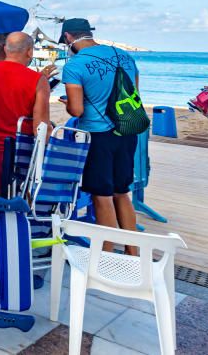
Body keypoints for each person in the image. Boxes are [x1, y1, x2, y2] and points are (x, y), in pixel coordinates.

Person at [61, 18, 141, 251]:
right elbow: (134, 92)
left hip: (98, 136)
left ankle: (105, 254)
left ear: (68, 38)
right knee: (122, 192)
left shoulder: (75, 65)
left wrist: (67, 103)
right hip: (126, 130)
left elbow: (76, 110)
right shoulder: (124, 56)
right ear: (89, 33)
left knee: (101, 195)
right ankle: (132, 251)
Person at [0, 32, 51, 196]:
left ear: (5, 49)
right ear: (29, 52)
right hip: (17, 152)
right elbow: (41, 128)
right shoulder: (37, 80)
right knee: (11, 203)